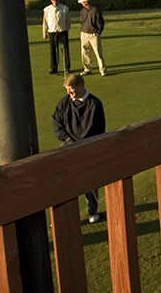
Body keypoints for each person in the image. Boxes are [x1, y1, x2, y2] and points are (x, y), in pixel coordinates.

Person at [52, 73, 106, 222]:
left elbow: (99, 130)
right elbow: (57, 124)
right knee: (63, 181)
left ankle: (92, 211)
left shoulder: (95, 104)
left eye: (72, 90)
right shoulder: (63, 103)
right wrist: (67, 139)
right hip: (69, 146)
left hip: (88, 147)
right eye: (67, 90)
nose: (69, 93)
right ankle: (65, 215)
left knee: (90, 181)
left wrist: (85, 145)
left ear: (81, 86)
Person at [42, 0, 71, 75]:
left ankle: (67, 67)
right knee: (53, 51)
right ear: (51, 0)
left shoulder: (64, 8)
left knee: (65, 50)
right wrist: (44, 32)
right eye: (53, 0)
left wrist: (66, 29)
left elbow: (68, 21)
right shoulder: (47, 10)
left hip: (62, 32)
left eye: (56, 0)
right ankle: (53, 68)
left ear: (59, 0)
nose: (55, 1)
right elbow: (45, 22)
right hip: (52, 32)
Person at [78, 0, 107, 76]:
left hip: (94, 34)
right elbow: (82, 21)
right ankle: (87, 69)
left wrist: (98, 32)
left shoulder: (95, 10)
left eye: (82, 2)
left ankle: (102, 70)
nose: (81, 4)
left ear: (85, 2)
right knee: (85, 52)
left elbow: (100, 23)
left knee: (98, 53)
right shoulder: (82, 11)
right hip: (84, 33)